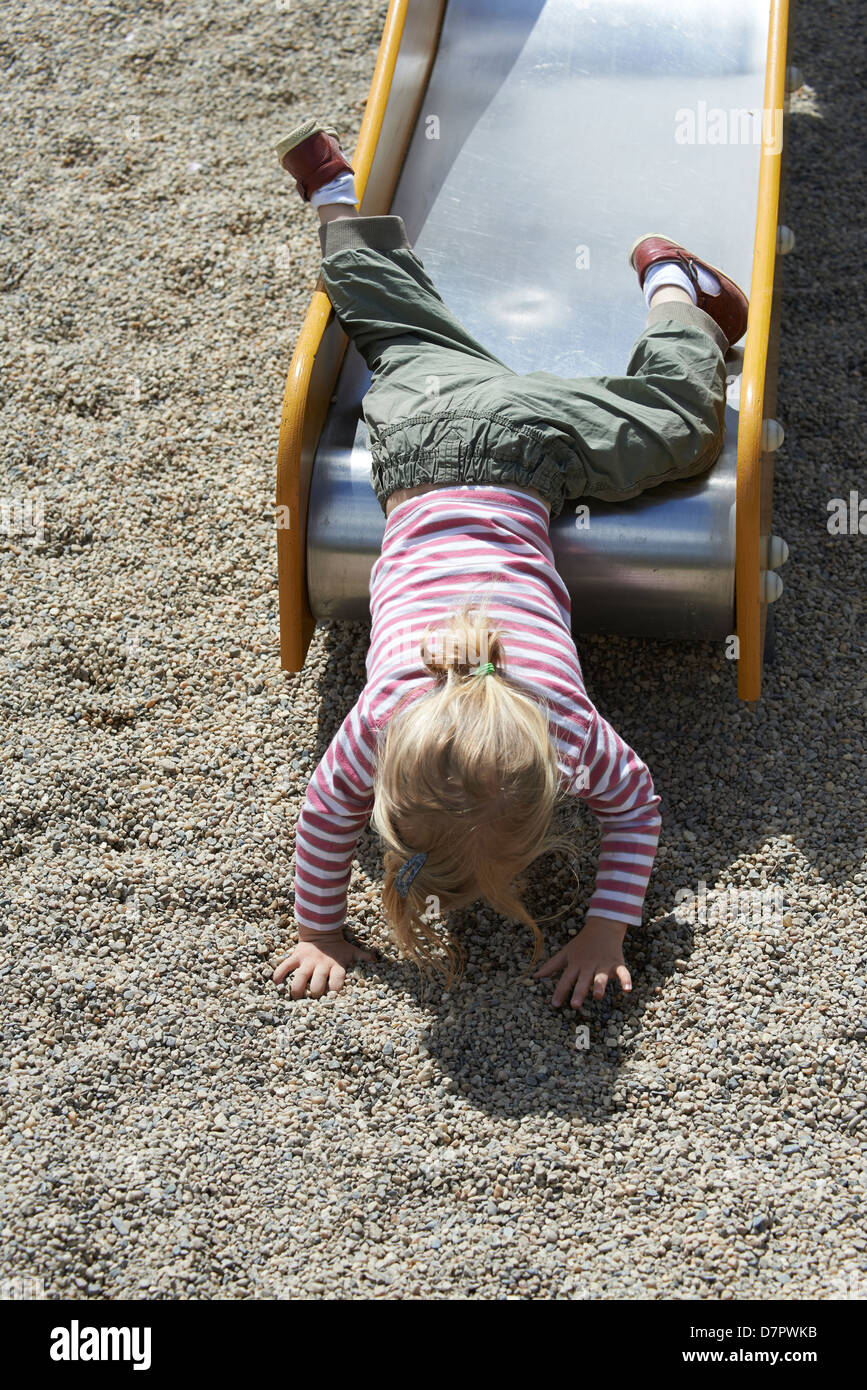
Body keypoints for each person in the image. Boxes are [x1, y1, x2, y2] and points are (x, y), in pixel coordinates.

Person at [271, 119, 748, 1006]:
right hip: (415, 441)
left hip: (518, 443)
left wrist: (319, 932)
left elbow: (635, 806)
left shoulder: (559, 727)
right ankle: (337, 205)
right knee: (394, 328)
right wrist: (317, 924)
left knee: (681, 428)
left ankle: (676, 287)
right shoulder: (386, 721)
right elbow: (325, 817)